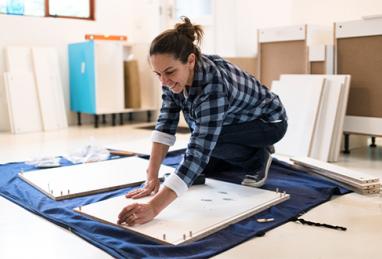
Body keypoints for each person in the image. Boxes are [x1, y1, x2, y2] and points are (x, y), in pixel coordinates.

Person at [117, 17, 287, 226]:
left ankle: (258, 157)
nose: (164, 81)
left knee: (206, 143)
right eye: (158, 74)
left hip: (268, 122)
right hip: (233, 121)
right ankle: (220, 159)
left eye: (169, 72)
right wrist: (152, 176)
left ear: (190, 60)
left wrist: (154, 207)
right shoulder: (171, 77)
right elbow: (165, 125)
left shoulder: (212, 84)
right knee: (199, 133)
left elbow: (200, 147)